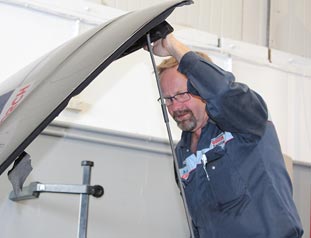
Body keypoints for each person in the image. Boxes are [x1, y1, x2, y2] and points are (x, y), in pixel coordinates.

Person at [150, 34, 304, 238]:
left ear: (203, 89)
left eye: (182, 95)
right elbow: (199, 222)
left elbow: (222, 93)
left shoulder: (243, 122)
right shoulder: (182, 153)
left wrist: (173, 46)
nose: (175, 106)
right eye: (168, 99)